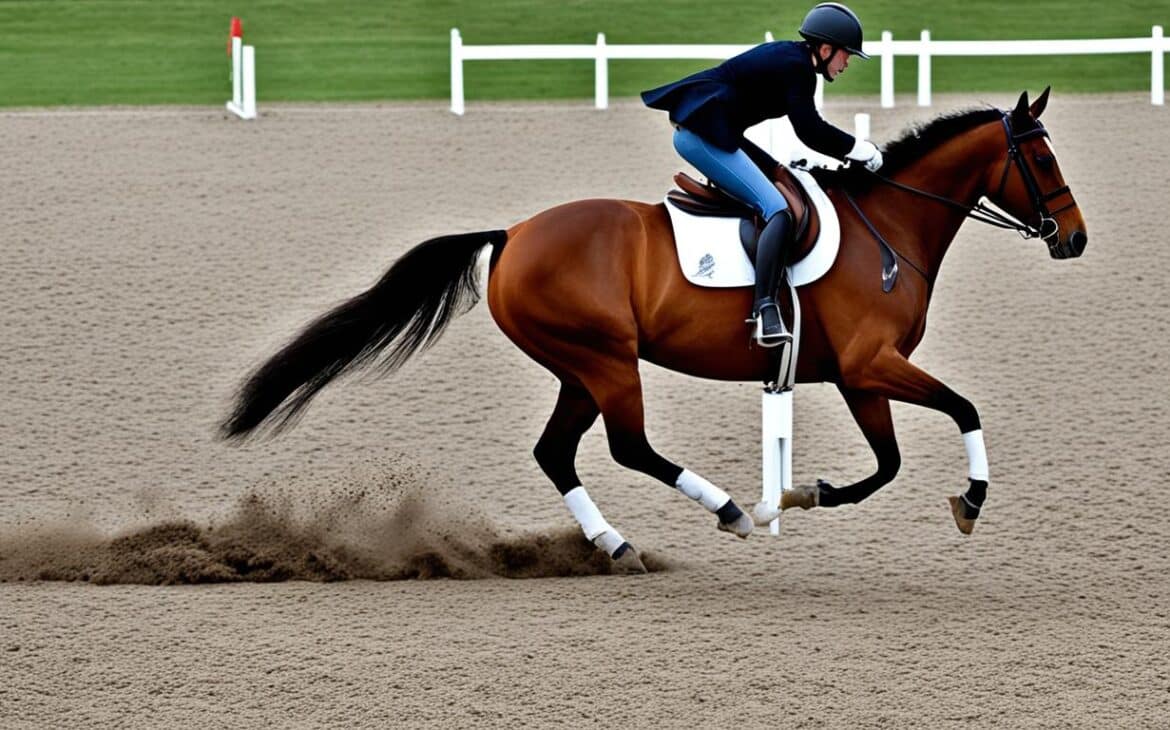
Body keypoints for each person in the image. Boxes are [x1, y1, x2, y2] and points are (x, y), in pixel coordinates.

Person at [642, 2, 883, 348]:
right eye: (847, 55)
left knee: (780, 179)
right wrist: (863, 150)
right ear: (826, 49)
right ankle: (765, 310)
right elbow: (810, 131)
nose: (847, 64)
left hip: (717, 132)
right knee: (778, 210)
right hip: (703, 135)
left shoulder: (793, 60)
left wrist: (775, 167)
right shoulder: (797, 68)